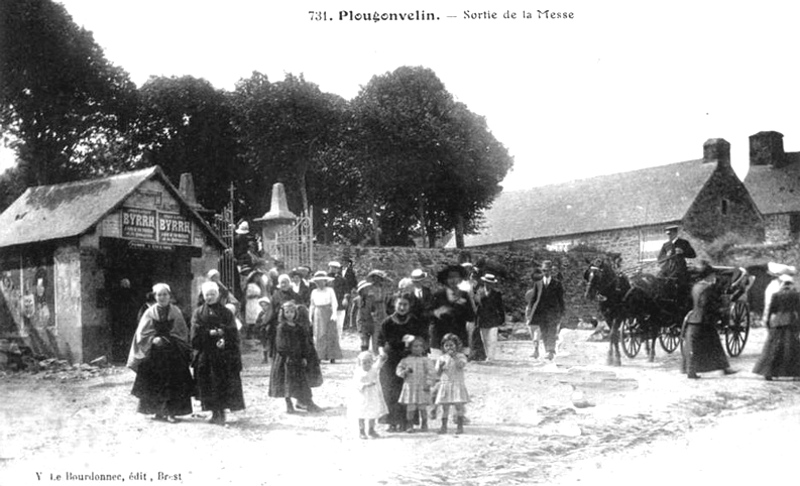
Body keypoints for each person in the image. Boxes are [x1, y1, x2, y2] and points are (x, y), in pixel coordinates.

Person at [128, 283, 194, 423]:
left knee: (174, 381)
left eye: (165, 294)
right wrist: (152, 339)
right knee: (154, 380)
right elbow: (142, 333)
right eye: (159, 295)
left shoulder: (176, 311)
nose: (162, 297)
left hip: (172, 351)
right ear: (155, 296)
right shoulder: (149, 312)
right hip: (155, 352)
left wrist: (168, 339)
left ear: (170, 296)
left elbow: (182, 332)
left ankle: (171, 412)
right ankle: (157, 411)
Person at [191, 281, 246, 425]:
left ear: (218, 295)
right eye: (207, 295)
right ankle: (214, 411)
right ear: (203, 296)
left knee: (222, 382)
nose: (210, 297)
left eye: (212, 294)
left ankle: (221, 412)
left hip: (223, 354)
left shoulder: (226, 312)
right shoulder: (198, 312)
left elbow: (233, 331)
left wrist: (225, 338)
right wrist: (209, 333)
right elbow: (195, 331)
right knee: (208, 382)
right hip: (206, 352)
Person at [377, 293, 428, 432]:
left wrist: (415, 344)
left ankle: (407, 421)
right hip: (391, 358)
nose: (402, 307)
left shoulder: (415, 321)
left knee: (408, 389)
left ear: (409, 305)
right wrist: (381, 352)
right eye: (400, 304)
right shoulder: (387, 322)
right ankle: (392, 421)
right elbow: (380, 341)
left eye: (405, 304)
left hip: (409, 358)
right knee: (391, 390)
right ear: (395, 304)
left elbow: (422, 338)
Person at [681, 264, 737, 379]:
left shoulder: (695, 286)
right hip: (705, 320)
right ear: (710, 275)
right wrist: (720, 310)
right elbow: (707, 304)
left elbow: (692, 302)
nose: (714, 276)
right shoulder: (708, 288)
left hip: (694, 318)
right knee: (714, 344)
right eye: (713, 274)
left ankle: (691, 370)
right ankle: (724, 369)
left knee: (693, 345)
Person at [269, 301, 323, 413]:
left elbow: (304, 343)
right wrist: (288, 355)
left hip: (298, 359)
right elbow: (280, 345)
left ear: (295, 313)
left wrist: (304, 356)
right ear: (283, 313)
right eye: (287, 312)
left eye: (292, 312)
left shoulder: (298, 327)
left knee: (301, 381)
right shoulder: (281, 327)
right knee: (286, 381)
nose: (290, 314)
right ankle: (289, 405)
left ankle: (307, 403)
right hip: (286, 359)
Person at [753, 275, 800, 381]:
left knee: (773, 348)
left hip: (777, 323)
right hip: (790, 322)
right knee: (792, 348)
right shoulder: (796, 295)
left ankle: (768, 372)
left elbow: (771, 311)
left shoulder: (776, 295)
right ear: (791, 284)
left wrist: (768, 323)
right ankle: (795, 374)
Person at [430, 265, 475, 358]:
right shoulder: (438, 295)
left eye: (456, 277)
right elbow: (427, 315)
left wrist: (462, 306)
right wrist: (437, 313)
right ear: (445, 280)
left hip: (458, 337)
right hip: (440, 337)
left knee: (457, 369)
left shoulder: (464, 295)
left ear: (460, 279)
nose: (453, 280)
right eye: (450, 277)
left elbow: (471, 317)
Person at [396, 336, 434, 433]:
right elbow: (398, 371)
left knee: (422, 407)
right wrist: (404, 372)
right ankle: (410, 424)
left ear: (423, 348)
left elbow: (431, 373)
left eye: (420, 346)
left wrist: (428, 383)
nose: (417, 348)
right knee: (410, 407)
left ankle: (424, 423)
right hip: (410, 387)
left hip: (422, 386)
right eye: (415, 346)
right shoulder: (405, 360)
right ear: (410, 348)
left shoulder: (426, 360)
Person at [434, 333, 470, 435]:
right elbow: (437, 373)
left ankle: (460, 426)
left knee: (458, 406)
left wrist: (454, 357)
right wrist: (440, 367)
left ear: (457, 345)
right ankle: (444, 426)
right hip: (446, 384)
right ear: (443, 347)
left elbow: (461, 365)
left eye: (451, 345)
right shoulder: (441, 358)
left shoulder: (461, 356)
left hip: (457, 384)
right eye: (446, 345)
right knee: (445, 407)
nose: (449, 347)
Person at [348, 351, 388, 439]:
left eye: (369, 362)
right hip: (362, 396)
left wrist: (381, 357)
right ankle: (361, 431)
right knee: (361, 413)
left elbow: (379, 363)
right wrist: (365, 385)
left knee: (372, 412)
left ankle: (371, 429)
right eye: (364, 363)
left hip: (372, 395)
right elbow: (355, 383)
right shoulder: (358, 371)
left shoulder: (373, 369)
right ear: (360, 363)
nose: (367, 364)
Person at [530, 261, 564, 361]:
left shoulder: (557, 284)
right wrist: (532, 312)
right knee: (544, 331)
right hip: (541, 312)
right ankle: (547, 351)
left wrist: (561, 312)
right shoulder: (538, 283)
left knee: (552, 331)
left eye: (547, 270)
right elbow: (534, 299)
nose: (545, 272)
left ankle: (550, 351)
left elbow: (560, 299)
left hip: (553, 312)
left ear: (551, 270)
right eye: (544, 270)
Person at [309, 270, 343, 363]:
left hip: (328, 311)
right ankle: (320, 356)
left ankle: (332, 356)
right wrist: (310, 317)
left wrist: (334, 313)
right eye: (318, 282)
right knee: (319, 334)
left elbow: (334, 303)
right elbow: (312, 305)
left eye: (322, 281)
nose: (320, 283)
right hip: (318, 313)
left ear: (325, 282)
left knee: (330, 334)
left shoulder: (330, 290)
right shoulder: (314, 292)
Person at [657, 225, 697, 302]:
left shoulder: (684, 243)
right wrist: (666, 256)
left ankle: (683, 301)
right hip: (668, 269)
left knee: (682, 285)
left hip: (680, 269)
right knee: (660, 279)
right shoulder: (666, 245)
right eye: (668, 234)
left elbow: (693, 255)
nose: (669, 236)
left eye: (670, 234)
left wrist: (683, 252)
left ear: (675, 233)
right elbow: (660, 258)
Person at [475, 273, 505, 361]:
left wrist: (502, 318)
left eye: (490, 283)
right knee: (484, 339)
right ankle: (488, 355)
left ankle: (491, 357)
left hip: (493, 319)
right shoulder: (479, 292)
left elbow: (500, 307)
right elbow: (476, 307)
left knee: (492, 339)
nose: (488, 285)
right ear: (484, 282)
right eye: (486, 282)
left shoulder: (497, 293)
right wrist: (476, 319)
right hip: (482, 319)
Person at [353, 280, 378, 352]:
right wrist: (352, 323)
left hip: (370, 320)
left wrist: (374, 314)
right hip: (361, 320)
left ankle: (370, 354)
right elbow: (353, 311)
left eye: (368, 288)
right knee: (364, 339)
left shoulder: (371, 299)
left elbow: (374, 308)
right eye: (365, 289)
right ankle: (364, 353)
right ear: (361, 290)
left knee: (370, 337)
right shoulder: (357, 299)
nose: (367, 290)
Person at [525, 268, 545, 358]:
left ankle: (536, 350)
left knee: (535, 333)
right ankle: (536, 350)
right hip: (534, 312)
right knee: (535, 333)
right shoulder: (536, 290)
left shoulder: (530, 292)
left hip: (534, 312)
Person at [328, 261, 348, 338]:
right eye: (332, 267)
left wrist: (345, 299)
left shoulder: (342, 280)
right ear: (329, 268)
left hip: (339, 304)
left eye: (336, 268)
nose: (333, 269)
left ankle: (338, 342)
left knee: (339, 325)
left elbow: (346, 291)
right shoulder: (325, 279)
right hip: (327, 305)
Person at [254, 296, 272, 363]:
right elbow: (257, 323)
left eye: (266, 305)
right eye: (262, 306)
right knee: (264, 345)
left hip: (270, 331)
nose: (264, 307)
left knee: (270, 344)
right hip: (264, 331)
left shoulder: (271, 313)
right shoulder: (261, 314)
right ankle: (265, 358)